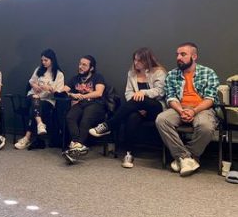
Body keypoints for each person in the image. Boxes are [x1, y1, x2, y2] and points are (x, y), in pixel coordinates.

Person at [88, 47, 166, 168]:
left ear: (147, 60)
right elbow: (128, 93)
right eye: (135, 59)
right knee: (132, 117)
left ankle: (109, 125)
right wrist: (138, 106)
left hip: (155, 107)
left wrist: (142, 93)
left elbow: (160, 92)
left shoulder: (158, 72)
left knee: (140, 100)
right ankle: (129, 154)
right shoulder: (132, 73)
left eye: (139, 60)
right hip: (137, 108)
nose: (136, 63)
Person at [155, 42, 219, 177]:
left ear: (194, 56)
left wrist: (193, 111)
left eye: (183, 54)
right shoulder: (172, 74)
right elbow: (171, 97)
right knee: (161, 119)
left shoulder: (208, 73)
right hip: (180, 107)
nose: (178, 57)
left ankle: (186, 157)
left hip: (202, 108)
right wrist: (181, 110)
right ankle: (186, 158)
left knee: (206, 126)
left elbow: (210, 99)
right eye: (177, 54)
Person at [14, 49, 64, 150]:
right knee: (35, 99)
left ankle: (27, 137)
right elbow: (31, 81)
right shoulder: (39, 70)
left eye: (46, 60)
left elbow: (59, 92)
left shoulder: (59, 74)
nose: (43, 62)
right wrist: (35, 86)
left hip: (48, 100)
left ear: (52, 60)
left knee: (34, 108)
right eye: (42, 60)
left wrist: (50, 89)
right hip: (33, 96)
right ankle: (40, 124)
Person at [61, 55, 106, 164]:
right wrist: (72, 95)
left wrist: (83, 96)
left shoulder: (98, 77)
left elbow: (99, 93)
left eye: (84, 65)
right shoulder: (75, 79)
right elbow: (63, 91)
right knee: (70, 117)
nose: (80, 67)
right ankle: (77, 144)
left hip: (95, 104)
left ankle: (77, 146)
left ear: (91, 68)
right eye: (80, 64)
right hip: (81, 104)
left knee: (85, 119)